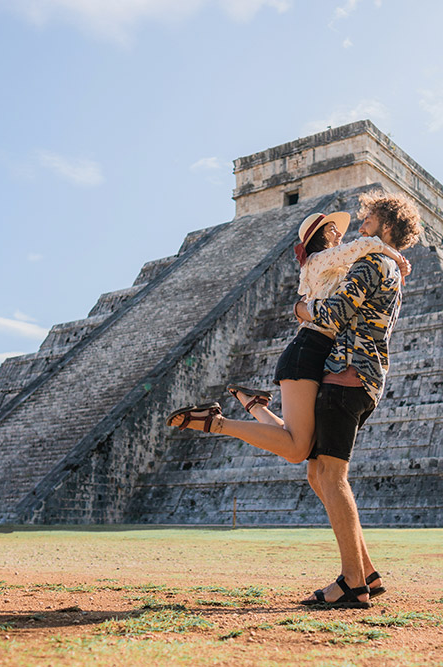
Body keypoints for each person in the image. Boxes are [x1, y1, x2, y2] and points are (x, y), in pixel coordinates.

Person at [168, 191, 422, 608]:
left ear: (388, 225)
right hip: (356, 375)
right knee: (316, 475)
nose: (360, 229)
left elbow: (333, 316)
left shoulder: (373, 262)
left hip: (345, 376)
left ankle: (352, 583)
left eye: (369, 222)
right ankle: (368, 574)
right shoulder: (383, 264)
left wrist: (302, 309)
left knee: (330, 476)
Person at [166, 208, 410, 465]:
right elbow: (365, 246)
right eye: (331, 229)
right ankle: (215, 422)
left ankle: (254, 405)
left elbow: (365, 266)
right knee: (297, 450)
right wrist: (394, 254)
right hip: (308, 349)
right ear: (318, 237)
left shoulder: (341, 264)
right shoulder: (318, 260)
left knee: (301, 444)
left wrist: (392, 264)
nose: (339, 232)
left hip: (326, 354)